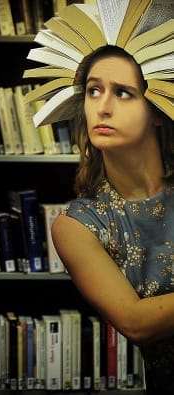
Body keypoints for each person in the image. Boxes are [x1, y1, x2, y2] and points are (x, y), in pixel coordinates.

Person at [50, 45, 174, 393]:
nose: (103, 108)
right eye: (94, 90)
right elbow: (136, 323)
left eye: (123, 92)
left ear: (158, 111)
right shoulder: (78, 224)